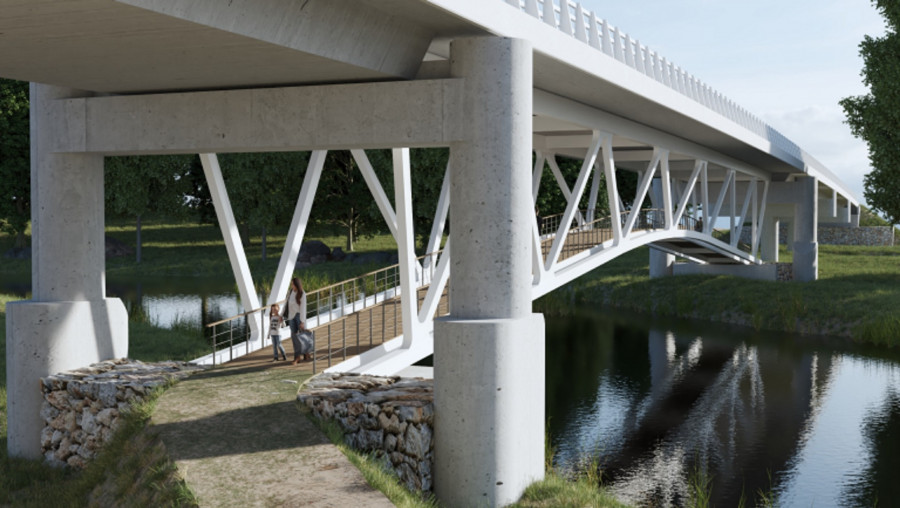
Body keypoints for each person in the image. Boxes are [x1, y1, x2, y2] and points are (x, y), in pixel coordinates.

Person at [285, 277, 311, 364]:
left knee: (302, 337)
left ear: (297, 284)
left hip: (299, 316)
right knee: (294, 337)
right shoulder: (290, 292)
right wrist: (281, 315)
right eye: (291, 284)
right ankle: (297, 356)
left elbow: (303, 308)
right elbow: (286, 304)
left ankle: (306, 353)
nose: (291, 285)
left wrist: (302, 321)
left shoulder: (302, 294)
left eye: (293, 284)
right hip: (291, 316)